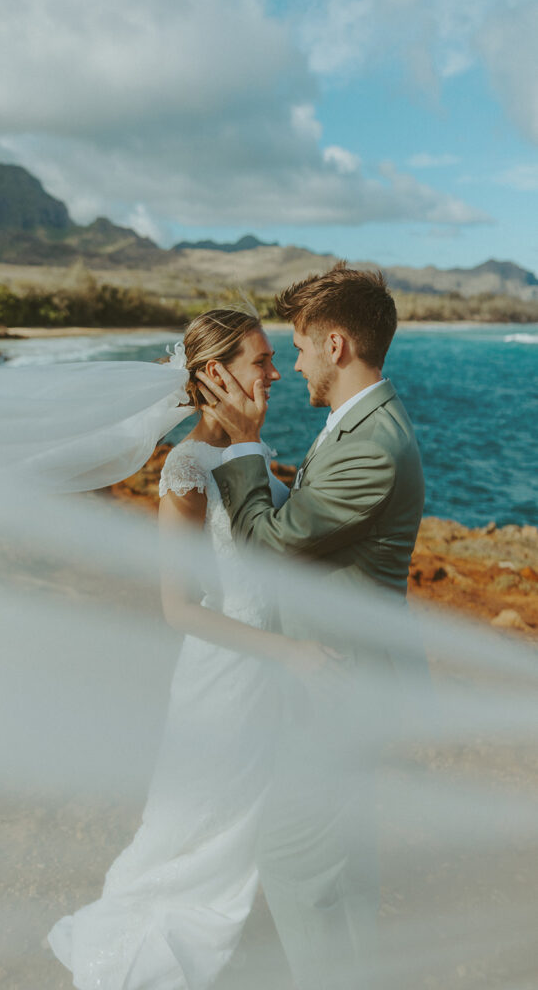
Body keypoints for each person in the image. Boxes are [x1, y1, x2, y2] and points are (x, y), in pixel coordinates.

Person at [47, 307, 341, 990]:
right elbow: (177, 608)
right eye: (261, 360)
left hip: (267, 669)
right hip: (225, 677)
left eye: (274, 358)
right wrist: (289, 651)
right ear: (215, 371)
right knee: (191, 819)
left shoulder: (256, 454)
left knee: (242, 821)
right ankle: (139, 943)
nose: (275, 372)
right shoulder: (184, 468)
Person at [196, 262, 426, 990]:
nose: (289, 365)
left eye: (294, 348)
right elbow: (309, 515)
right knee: (342, 864)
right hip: (340, 677)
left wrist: (239, 446)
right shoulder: (355, 425)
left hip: (342, 685)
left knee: (293, 858)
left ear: (335, 345)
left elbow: (270, 547)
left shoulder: (370, 443)